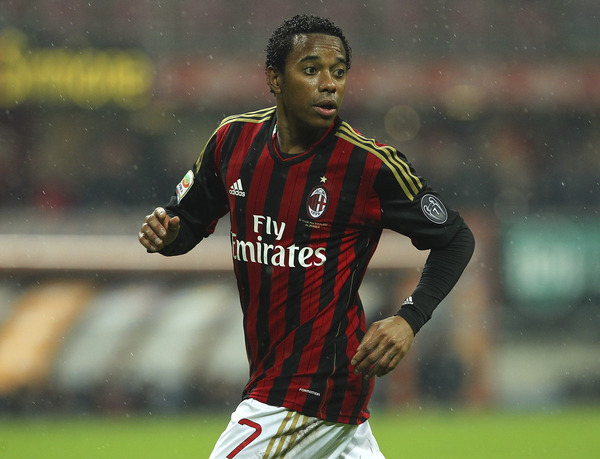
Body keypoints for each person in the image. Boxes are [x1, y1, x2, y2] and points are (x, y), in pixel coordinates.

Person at [138, 14, 475, 458]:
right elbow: (188, 222)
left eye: (339, 72)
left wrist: (408, 319)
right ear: (274, 78)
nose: (329, 84)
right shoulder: (233, 141)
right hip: (280, 378)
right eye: (312, 70)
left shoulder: (367, 165)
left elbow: (456, 238)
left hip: (313, 387)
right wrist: (168, 236)